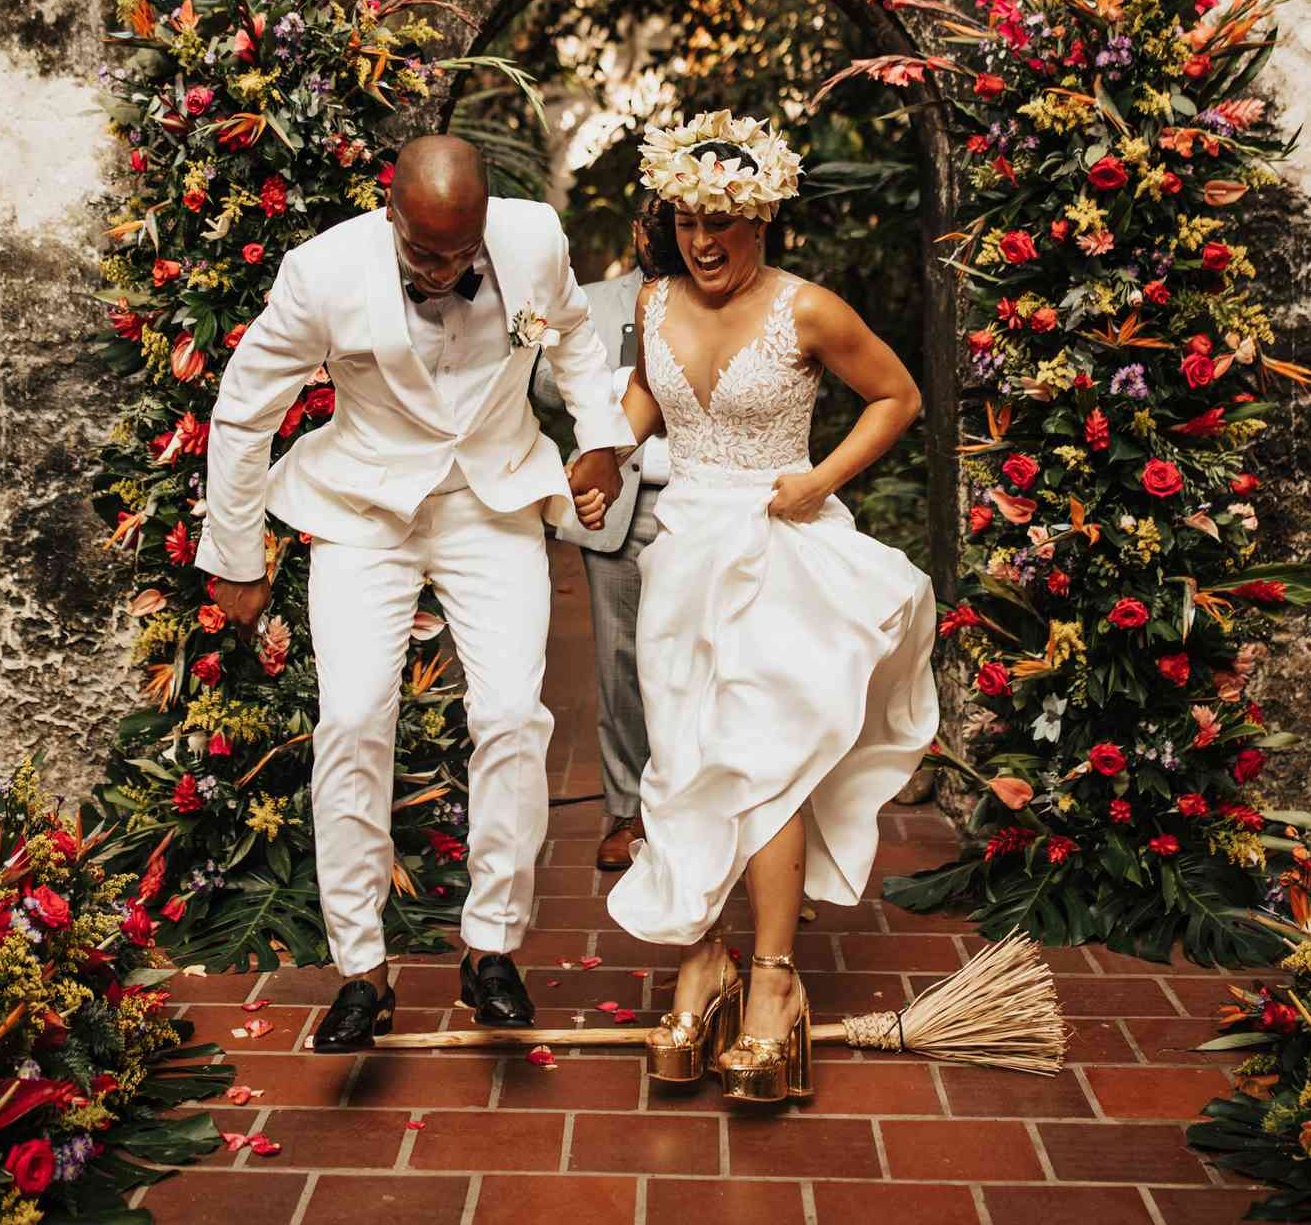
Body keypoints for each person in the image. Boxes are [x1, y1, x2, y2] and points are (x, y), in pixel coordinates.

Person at [197, 136, 633, 1052]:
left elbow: (577, 341)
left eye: (462, 251)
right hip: (367, 509)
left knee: (515, 715)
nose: (447, 269)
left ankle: (491, 950)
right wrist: (236, 555)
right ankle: (361, 968)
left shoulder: (533, 238)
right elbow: (243, 409)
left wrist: (600, 435)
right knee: (354, 718)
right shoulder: (320, 274)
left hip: (493, 497)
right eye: (426, 252)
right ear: (389, 210)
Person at [577, 111, 940, 1103]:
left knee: (768, 758)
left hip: (783, 543)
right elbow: (650, 401)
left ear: (765, 219)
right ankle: (704, 956)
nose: (703, 242)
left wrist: (820, 478)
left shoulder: (808, 310)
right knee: (686, 756)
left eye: (723, 225)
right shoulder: (653, 303)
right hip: (685, 553)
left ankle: (774, 978)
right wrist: (605, 453)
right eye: (689, 221)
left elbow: (898, 398)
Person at [531, 198, 665, 872]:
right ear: (639, 229)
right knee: (622, 668)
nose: (666, 236)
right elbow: (547, 389)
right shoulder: (591, 300)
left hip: (714, 498)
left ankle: (705, 811)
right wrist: (604, 384)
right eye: (655, 223)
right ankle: (626, 810)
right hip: (623, 501)